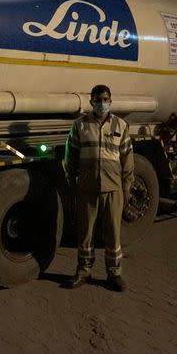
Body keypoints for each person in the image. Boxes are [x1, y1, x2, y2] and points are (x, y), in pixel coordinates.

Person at [63, 84, 134, 292]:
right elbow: (71, 155)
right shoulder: (80, 125)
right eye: (98, 99)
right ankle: (83, 271)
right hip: (87, 188)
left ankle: (114, 274)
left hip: (113, 188)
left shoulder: (121, 126)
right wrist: (71, 181)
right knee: (85, 233)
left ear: (110, 101)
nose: (102, 103)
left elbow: (127, 159)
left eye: (105, 99)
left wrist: (127, 186)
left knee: (113, 233)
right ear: (91, 101)